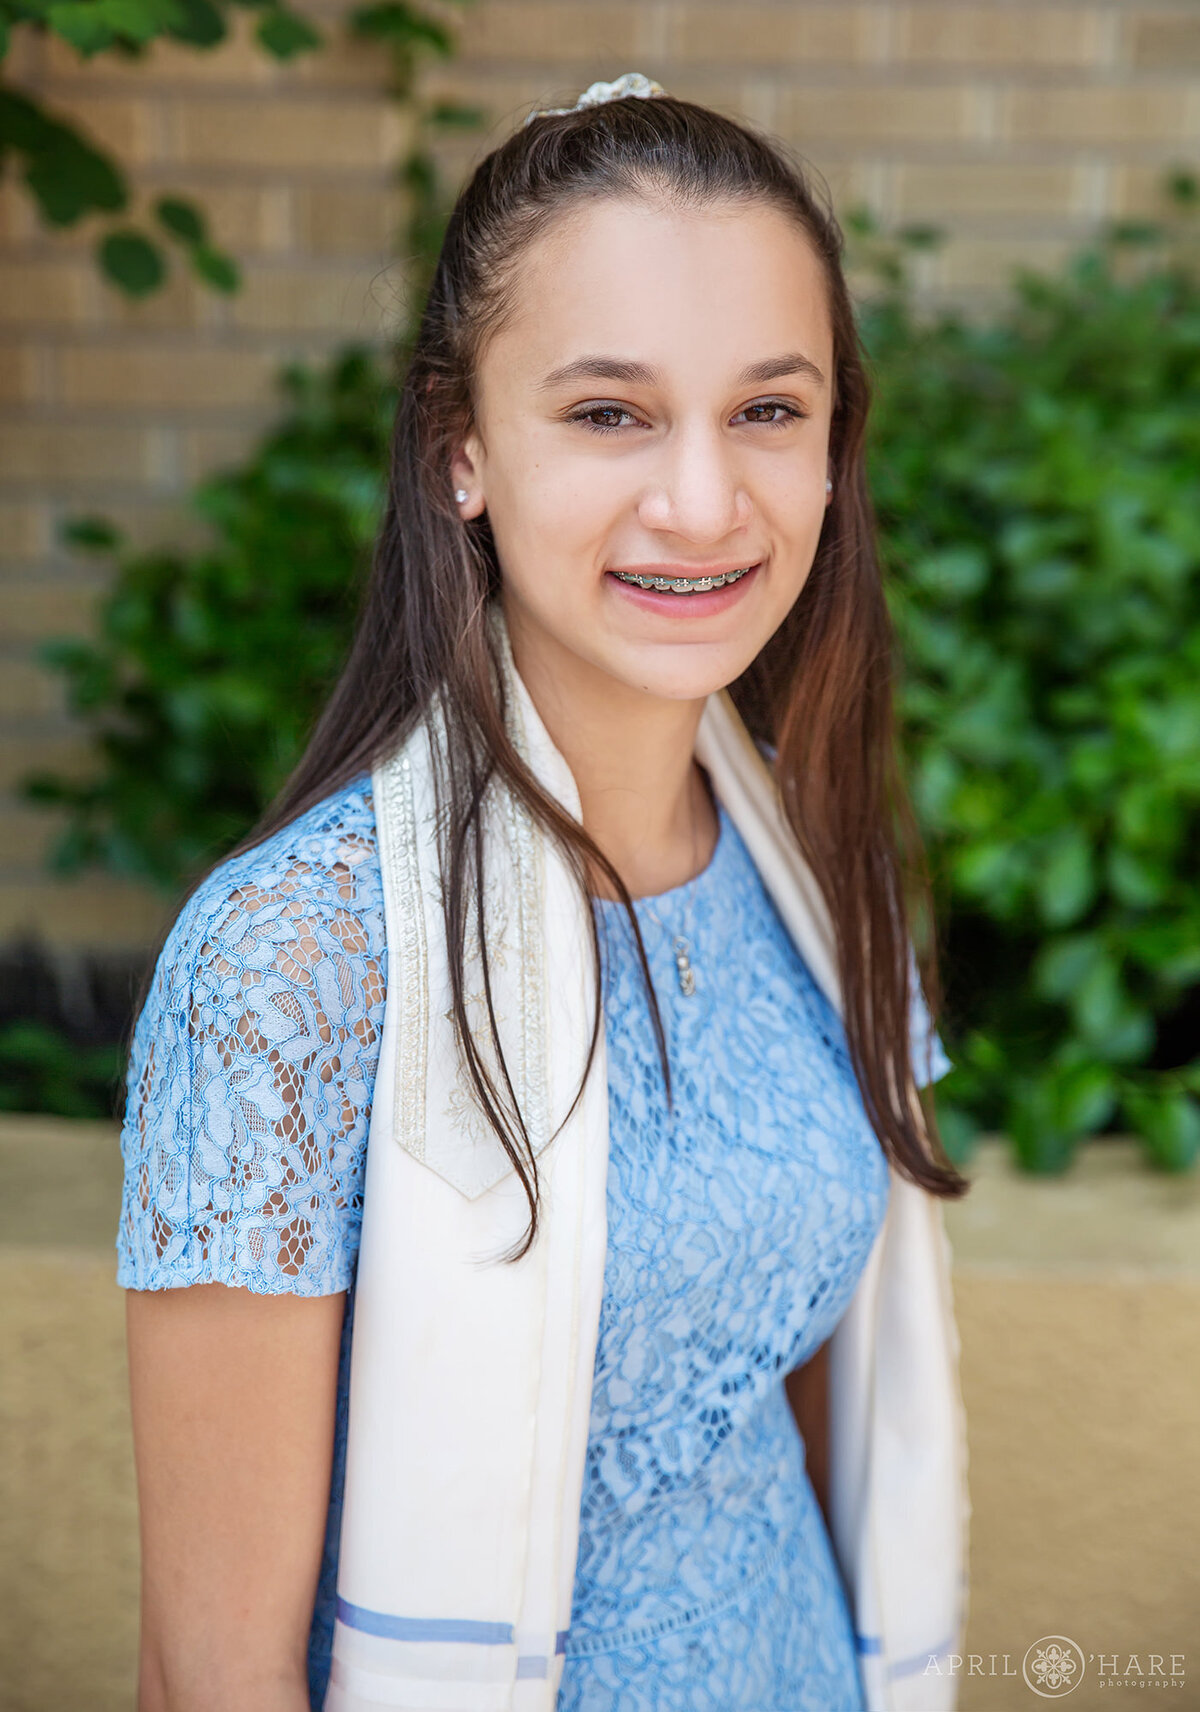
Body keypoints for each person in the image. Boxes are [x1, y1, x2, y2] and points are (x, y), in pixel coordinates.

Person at [118, 74, 971, 1712]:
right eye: (608, 414)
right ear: (461, 449)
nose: (704, 503)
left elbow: (808, 1408)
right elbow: (205, 1673)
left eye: (768, 411)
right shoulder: (294, 965)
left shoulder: (820, 873)